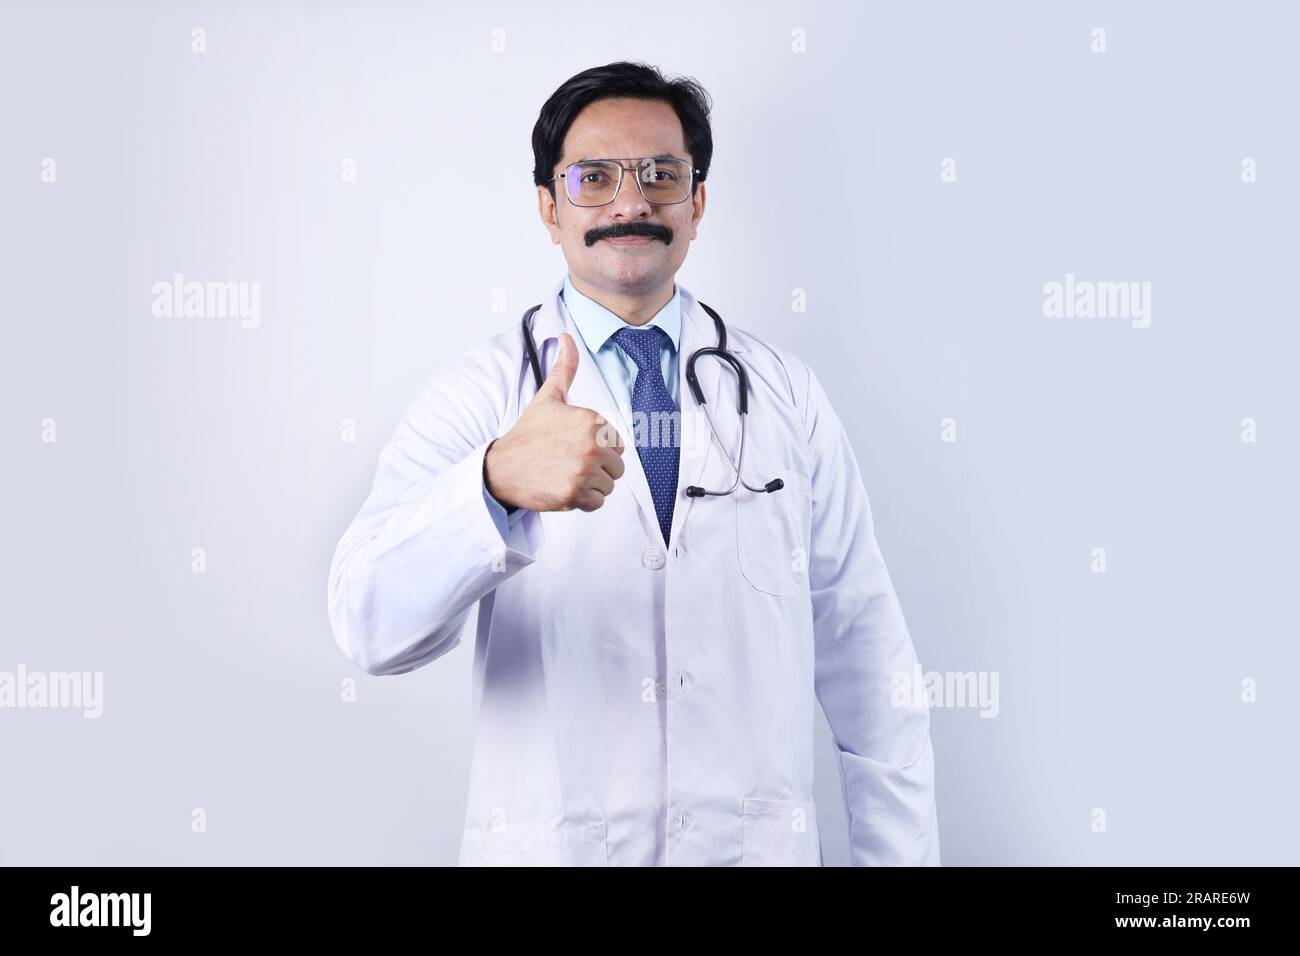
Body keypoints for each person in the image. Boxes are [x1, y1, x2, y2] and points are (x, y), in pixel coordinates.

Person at [327, 61, 939, 866]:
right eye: (594, 178)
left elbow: (872, 667)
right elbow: (368, 623)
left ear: (698, 203)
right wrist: (493, 483)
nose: (630, 202)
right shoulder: (478, 395)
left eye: (662, 174)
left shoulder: (788, 396)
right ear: (550, 207)